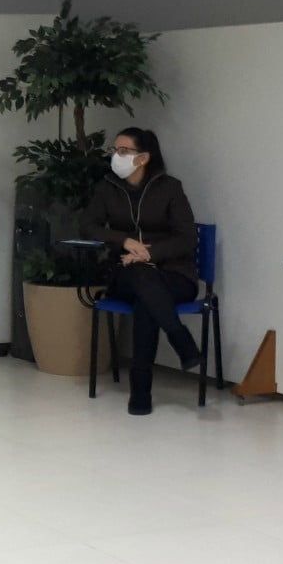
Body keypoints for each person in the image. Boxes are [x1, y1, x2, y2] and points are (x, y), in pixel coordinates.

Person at [79, 127, 204, 415]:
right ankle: (180, 339)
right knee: (143, 281)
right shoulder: (107, 188)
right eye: (114, 150)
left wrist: (150, 253)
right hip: (125, 273)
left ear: (143, 158)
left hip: (174, 274)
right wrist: (124, 241)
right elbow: (87, 226)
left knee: (147, 298)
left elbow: (187, 238)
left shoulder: (170, 188)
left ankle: (141, 393)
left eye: (123, 151)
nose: (116, 155)